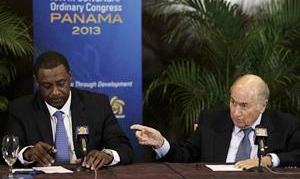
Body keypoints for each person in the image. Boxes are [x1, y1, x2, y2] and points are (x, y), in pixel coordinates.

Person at [131, 74, 300, 169]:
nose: (235, 112)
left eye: (244, 106)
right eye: (233, 102)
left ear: (263, 106)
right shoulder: (212, 120)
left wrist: (268, 159)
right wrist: (161, 143)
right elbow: (185, 154)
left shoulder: (285, 125)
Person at [6, 51, 133, 170]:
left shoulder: (97, 104)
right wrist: (28, 154)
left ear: (70, 76)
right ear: (36, 81)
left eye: (61, 83)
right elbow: (8, 150)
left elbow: (124, 148)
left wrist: (107, 156)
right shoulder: (20, 109)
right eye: (47, 86)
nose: (55, 92)